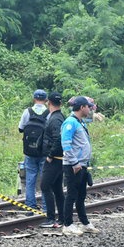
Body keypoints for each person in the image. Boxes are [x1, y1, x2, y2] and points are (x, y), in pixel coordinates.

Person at [61, 96, 99, 236]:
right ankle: (68, 224)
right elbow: (66, 144)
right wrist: (74, 162)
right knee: (71, 194)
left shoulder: (80, 122)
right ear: (82, 107)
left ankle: (84, 222)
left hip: (81, 164)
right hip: (74, 165)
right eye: (88, 107)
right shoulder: (70, 123)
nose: (90, 109)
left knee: (81, 195)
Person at [17, 89, 49, 210]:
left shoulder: (27, 111)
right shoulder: (48, 112)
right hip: (44, 151)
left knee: (30, 179)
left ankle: (30, 206)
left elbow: (21, 128)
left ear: (34, 98)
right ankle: (46, 207)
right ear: (46, 100)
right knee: (45, 180)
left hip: (30, 151)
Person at [39, 91, 66, 228]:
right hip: (60, 158)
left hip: (54, 159)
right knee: (57, 188)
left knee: (45, 186)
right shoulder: (59, 116)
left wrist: (50, 155)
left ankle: (51, 218)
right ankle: (62, 217)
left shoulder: (55, 119)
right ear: (60, 103)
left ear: (49, 102)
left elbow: (58, 138)